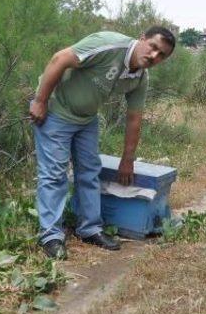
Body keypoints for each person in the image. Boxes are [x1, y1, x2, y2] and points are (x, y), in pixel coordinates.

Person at [29, 26, 175, 259]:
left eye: (162, 55)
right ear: (142, 39)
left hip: (86, 119)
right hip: (56, 111)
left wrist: (127, 160)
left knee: (89, 171)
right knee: (54, 174)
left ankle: (89, 229)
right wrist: (40, 100)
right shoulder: (109, 44)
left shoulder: (139, 77)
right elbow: (60, 58)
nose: (154, 56)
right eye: (153, 47)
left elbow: (134, 118)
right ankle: (51, 236)